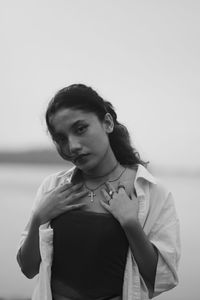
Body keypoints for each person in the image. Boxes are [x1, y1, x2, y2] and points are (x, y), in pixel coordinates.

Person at [16, 84, 181, 300]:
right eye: (61, 139)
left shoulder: (150, 192)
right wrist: (39, 217)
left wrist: (131, 224)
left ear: (107, 123)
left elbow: (162, 279)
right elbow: (28, 269)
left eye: (80, 129)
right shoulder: (53, 188)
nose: (72, 146)